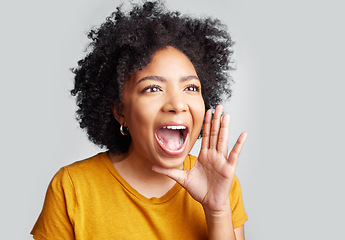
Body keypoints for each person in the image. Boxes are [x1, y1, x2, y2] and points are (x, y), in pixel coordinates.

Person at [31, 1, 248, 239]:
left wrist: (217, 210)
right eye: (153, 88)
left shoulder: (220, 183)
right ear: (120, 111)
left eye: (191, 87)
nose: (177, 104)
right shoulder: (73, 187)